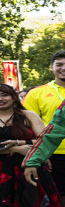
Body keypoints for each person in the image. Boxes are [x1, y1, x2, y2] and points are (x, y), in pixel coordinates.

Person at [22, 50, 65, 183]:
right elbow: (54, 131)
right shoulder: (37, 93)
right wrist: (34, 159)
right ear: (51, 67)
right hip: (54, 153)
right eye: (59, 64)